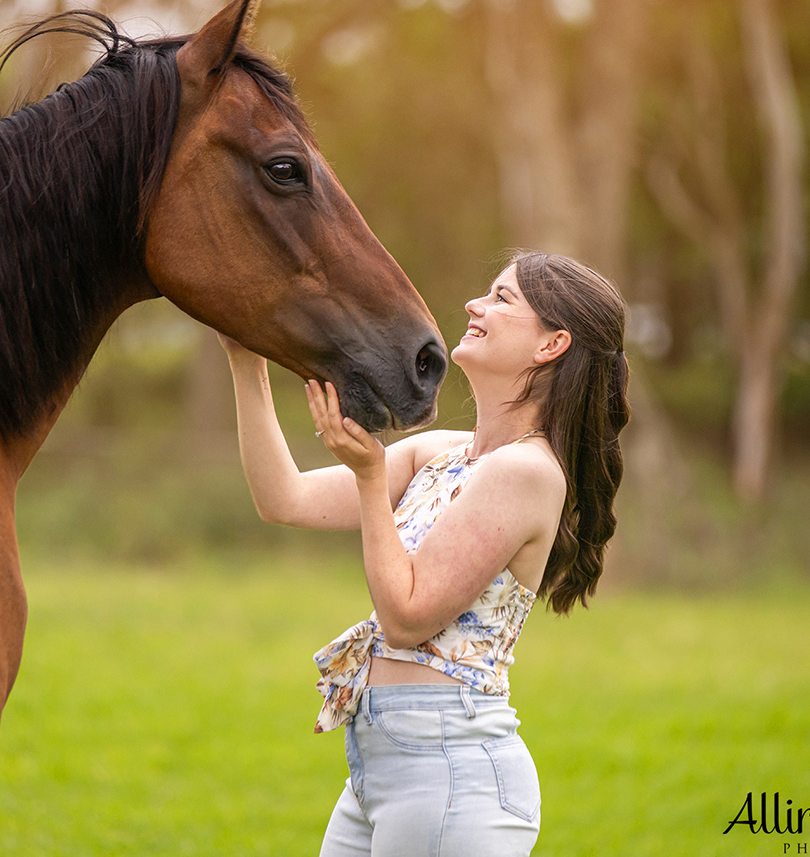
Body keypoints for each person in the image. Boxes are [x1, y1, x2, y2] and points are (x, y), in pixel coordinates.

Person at [220, 250, 630, 857]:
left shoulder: (527, 473)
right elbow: (283, 497)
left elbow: (407, 617)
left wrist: (367, 478)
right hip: (383, 768)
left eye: (502, 298)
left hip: (451, 774)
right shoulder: (442, 452)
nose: (475, 304)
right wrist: (244, 357)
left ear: (551, 345)